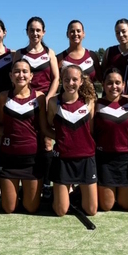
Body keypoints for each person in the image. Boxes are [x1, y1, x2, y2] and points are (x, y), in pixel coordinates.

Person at [12, 17, 60, 189]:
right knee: (27, 139)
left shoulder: (49, 53)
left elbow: (56, 78)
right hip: (24, 103)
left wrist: (48, 98)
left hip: (44, 103)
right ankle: (24, 180)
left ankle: (46, 183)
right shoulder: (20, 53)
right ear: (27, 32)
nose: (35, 33)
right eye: (32, 30)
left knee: (47, 142)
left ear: (44, 32)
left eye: (38, 30)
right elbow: (15, 77)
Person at [0, 59, 48, 213]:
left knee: (31, 208)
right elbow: (0, 124)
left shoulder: (40, 97)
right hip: (8, 159)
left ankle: (28, 189)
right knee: (9, 208)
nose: (21, 75)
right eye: (17, 71)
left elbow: (43, 127)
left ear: (31, 76)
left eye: (25, 71)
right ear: (11, 75)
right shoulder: (3, 96)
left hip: (33, 160)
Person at [45, 65, 98, 217]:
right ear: (62, 80)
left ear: (81, 81)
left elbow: (90, 130)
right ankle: (62, 192)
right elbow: (49, 127)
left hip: (86, 159)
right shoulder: (54, 103)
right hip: (63, 160)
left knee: (91, 210)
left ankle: (75, 192)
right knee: (61, 211)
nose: (70, 83)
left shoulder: (89, 101)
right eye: (67, 79)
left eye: (75, 79)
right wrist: (63, 138)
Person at [94, 68, 128, 211]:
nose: (114, 86)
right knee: (106, 206)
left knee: (127, 205)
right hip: (104, 159)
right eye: (110, 83)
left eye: (118, 83)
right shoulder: (96, 105)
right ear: (103, 84)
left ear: (123, 84)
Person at [101, 18, 128, 97]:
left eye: (124, 31)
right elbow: (102, 76)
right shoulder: (110, 52)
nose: (121, 35)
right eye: (117, 33)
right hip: (109, 101)